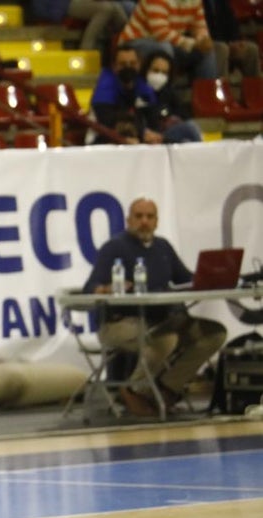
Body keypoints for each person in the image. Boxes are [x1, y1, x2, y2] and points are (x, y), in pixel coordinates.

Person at [82, 197, 227, 417]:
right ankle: (132, 390)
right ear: (128, 220)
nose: (144, 222)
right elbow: (90, 288)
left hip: (161, 320)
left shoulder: (163, 247)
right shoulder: (114, 248)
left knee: (214, 334)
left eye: (149, 217)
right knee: (166, 339)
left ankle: (167, 389)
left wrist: (218, 277)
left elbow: (186, 280)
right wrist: (106, 289)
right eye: (139, 216)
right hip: (119, 324)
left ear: (157, 221)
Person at [118, 0, 217, 83]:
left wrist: (202, 40)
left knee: (210, 50)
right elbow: (160, 32)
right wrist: (194, 44)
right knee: (164, 48)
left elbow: (199, 26)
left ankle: (206, 97)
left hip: (171, 43)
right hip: (135, 43)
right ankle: (167, 96)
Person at [89, 43, 159, 144]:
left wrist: (152, 134)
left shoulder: (142, 84)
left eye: (132, 63)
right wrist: (142, 132)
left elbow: (152, 115)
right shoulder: (106, 85)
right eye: (123, 64)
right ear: (114, 66)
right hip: (103, 139)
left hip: (139, 137)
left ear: (139, 64)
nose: (128, 67)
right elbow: (107, 121)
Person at [141, 51, 202, 143]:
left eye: (164, 73)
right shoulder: (137, 90)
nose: (159, 76)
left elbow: (183, 115)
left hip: (164, 134)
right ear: (146, 69)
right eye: (155, 70)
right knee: (189, 129)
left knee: (187, 139)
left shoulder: (168, 92)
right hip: (145, 134)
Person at [29, 0, 128, 56]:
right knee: (107, 9)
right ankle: (85, 50)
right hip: (57, 4)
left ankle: (128, 43)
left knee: (117, 8)